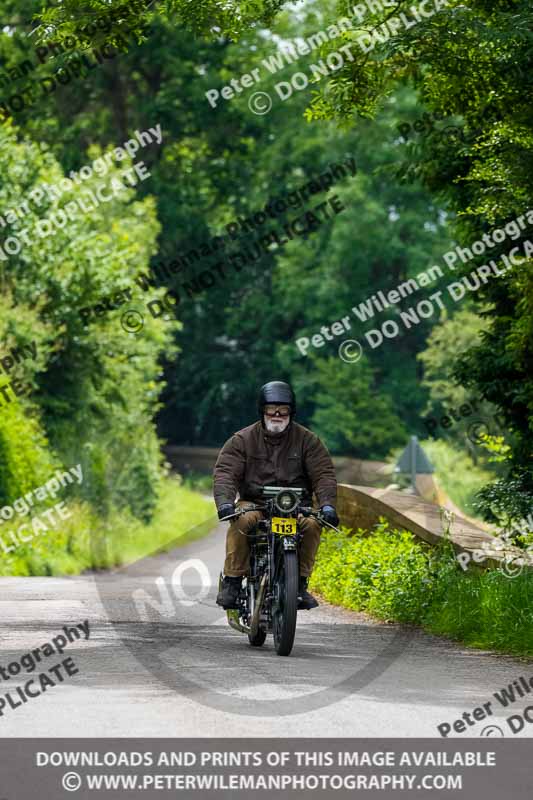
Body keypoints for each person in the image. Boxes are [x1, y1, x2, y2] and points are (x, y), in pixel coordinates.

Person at [214, 380, 338, 611]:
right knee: (241, 520)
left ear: (292, 411)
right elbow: (225, 473)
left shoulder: (308, 441)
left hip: (296, 507)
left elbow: (324, 474)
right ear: (263, 410)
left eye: (284, 409)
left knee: (312, 525)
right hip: (255, 504)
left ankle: (299, 585)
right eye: (272, 409)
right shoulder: (241, 440)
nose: (278, 414)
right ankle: (232, 582)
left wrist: (328, 506)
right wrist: (224, 503)